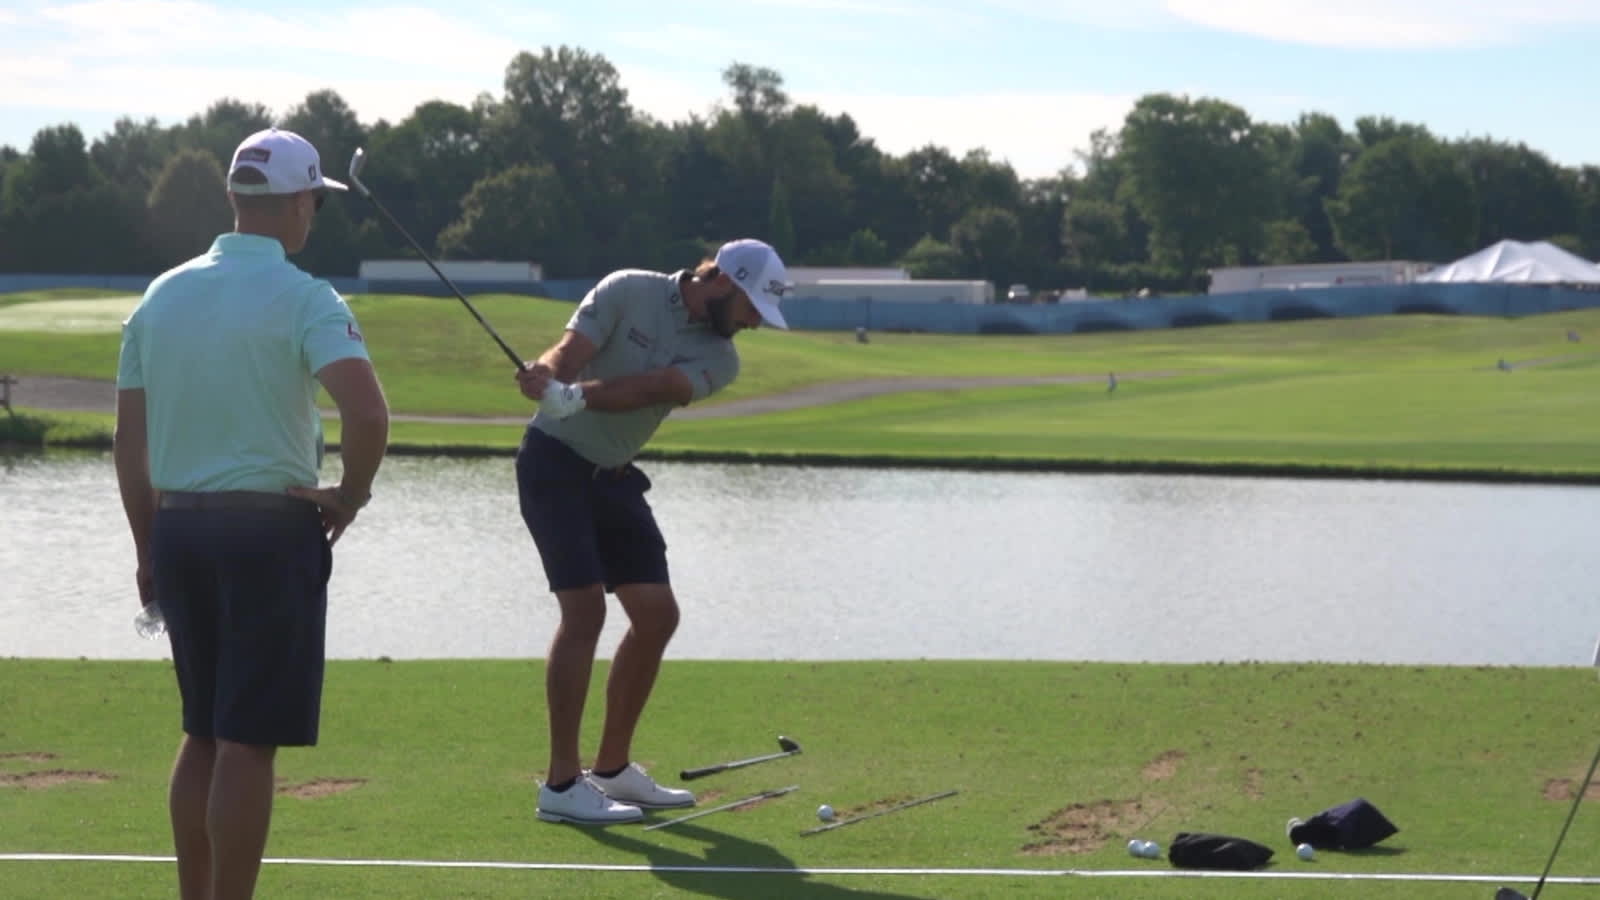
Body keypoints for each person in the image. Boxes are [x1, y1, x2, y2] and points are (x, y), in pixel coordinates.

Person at [113, 128, 390, 899]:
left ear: (236, 197)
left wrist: (147, 550)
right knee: (246, 740)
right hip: (269, 534)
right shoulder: (307, 297)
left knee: (201, 729)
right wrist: (350, 496)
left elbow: (128, 445)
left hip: (179, 531)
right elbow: (368, 416)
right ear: (301, 201)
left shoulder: (161, 294)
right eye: (315, 203)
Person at [514, 239, 790, 825]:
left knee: (657, 615)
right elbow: (570, 349)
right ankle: (562, 783)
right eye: (751, 310)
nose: (753, 325)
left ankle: (612, 769)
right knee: (584, 612)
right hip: (554, 462)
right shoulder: (628, 288)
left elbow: (655, 388)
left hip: (612, 478)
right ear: (725, 282)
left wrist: (576, 396)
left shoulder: (722, 357)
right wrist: (547, 376)